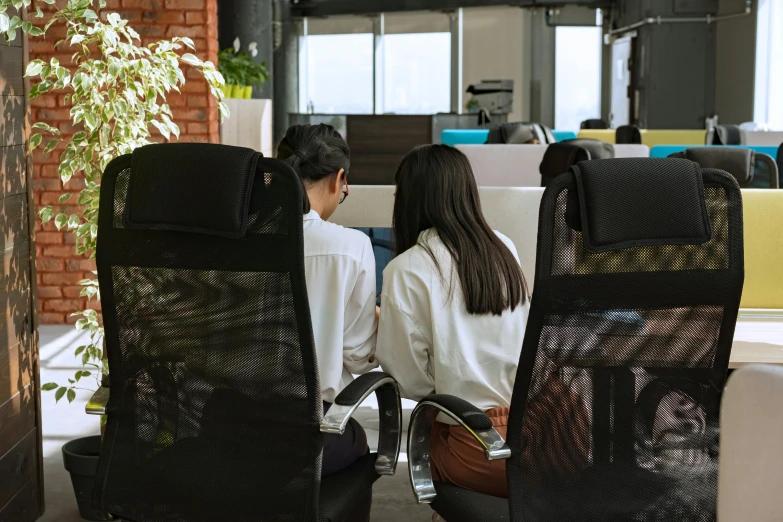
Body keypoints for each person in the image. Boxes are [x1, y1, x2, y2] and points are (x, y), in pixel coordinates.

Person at [375, 144, 530, 499]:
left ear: (410, 200)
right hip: (546, 439)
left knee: (429, 430)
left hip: (478, 450)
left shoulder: (407, 269)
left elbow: (411, 383)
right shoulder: (504, 247)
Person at [277, 124, 378, 481]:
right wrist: (376, 319)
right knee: (358, 443)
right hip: (303, 433)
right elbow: (357, 355)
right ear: (338, 180)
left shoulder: (236, 237)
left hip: (223, 423)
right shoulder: (351, 248)